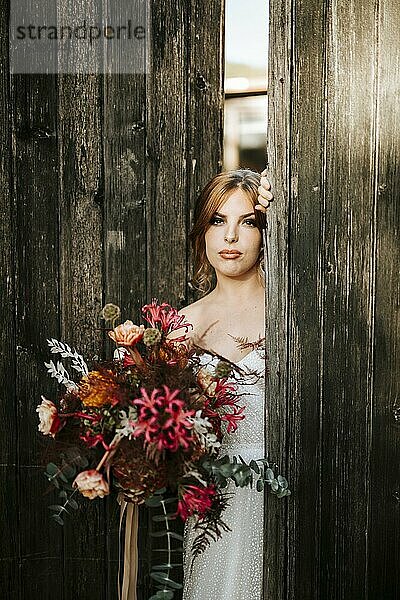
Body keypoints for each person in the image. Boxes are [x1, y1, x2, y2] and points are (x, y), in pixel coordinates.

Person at [179, 168, 273, 600]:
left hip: (279, 498)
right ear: (203, 233)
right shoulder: (181, 327)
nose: (230, 236)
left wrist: (286, 185)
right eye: (218, 221)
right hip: (209, 505)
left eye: (246, 221)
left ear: (264, 230)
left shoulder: (290, 315)